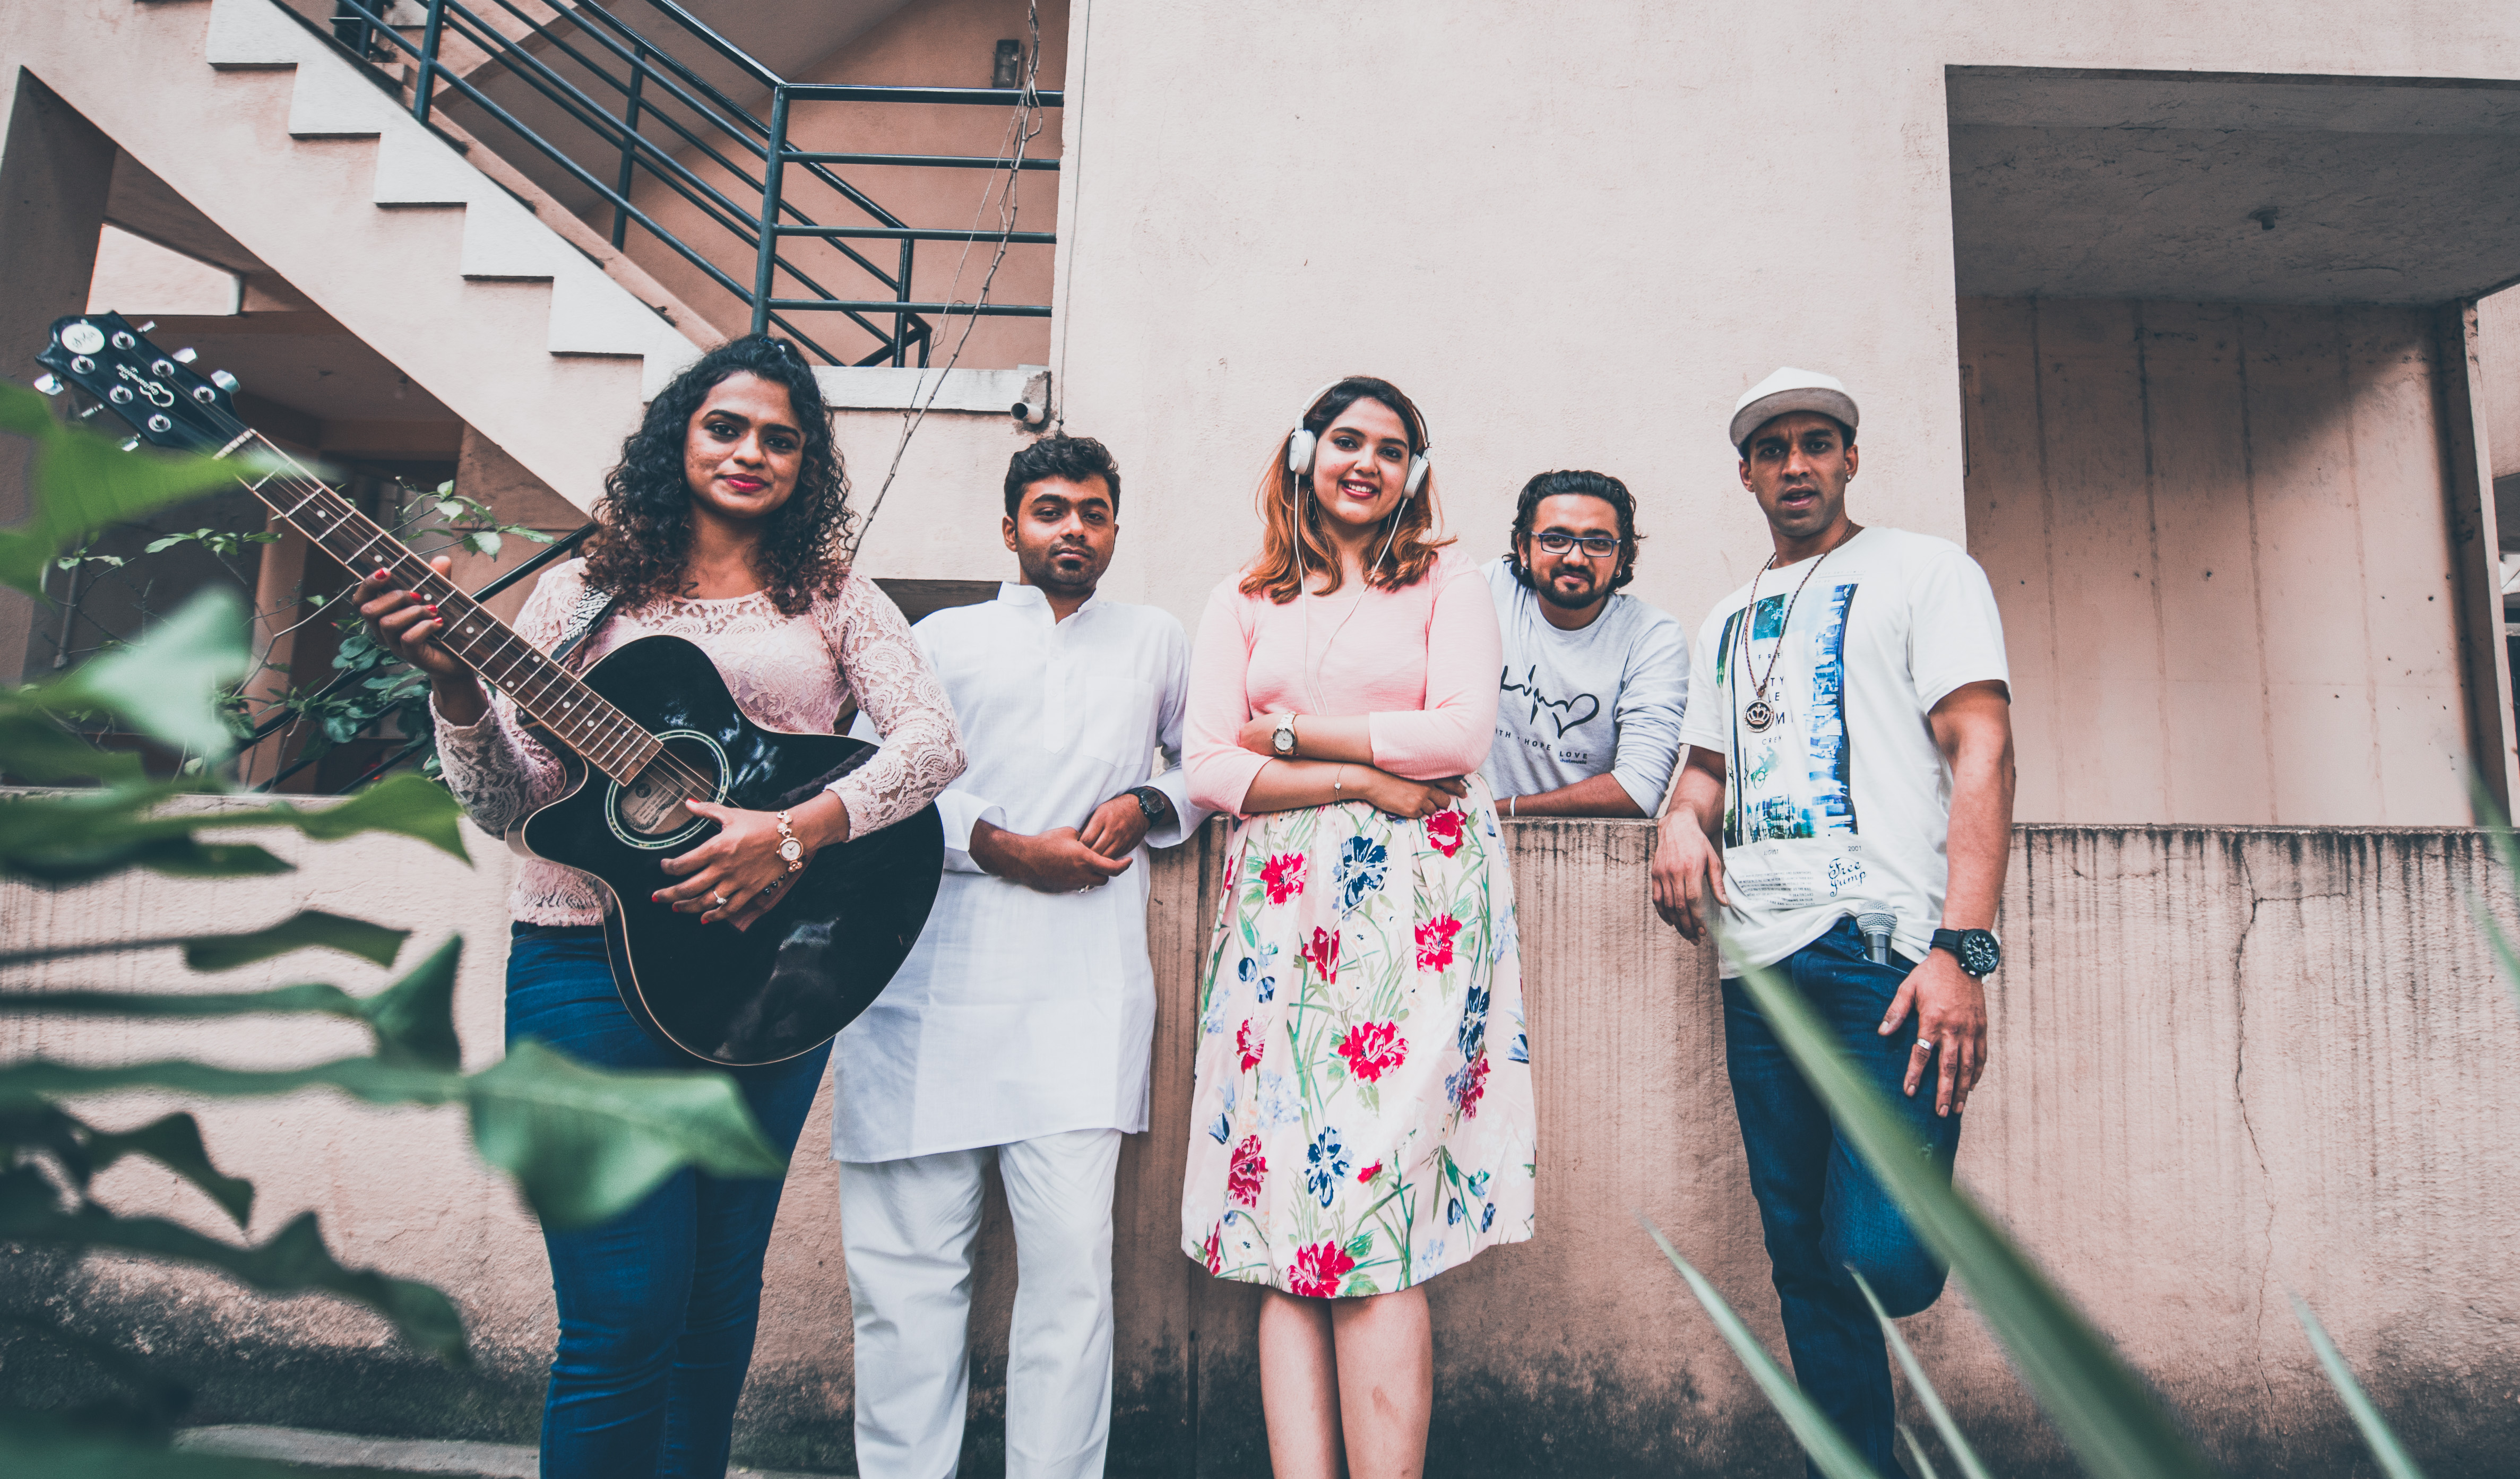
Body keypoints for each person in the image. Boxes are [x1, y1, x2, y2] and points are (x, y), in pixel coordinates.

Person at [359, 334, 965, 1479]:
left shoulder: (830, 595)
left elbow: (932, 746)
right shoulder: (578, 597)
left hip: (772, 970)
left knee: (712, 1311)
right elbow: (511, 805)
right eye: (725, 426)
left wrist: (789, 834)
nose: (750, 452)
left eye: (780, 438)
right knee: (622, 1314)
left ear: (806, 465)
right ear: (677, 438)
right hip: (583, 968)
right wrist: (453, 685)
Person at [1648, 367, 2015, 1478]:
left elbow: (1983, 749)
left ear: (1850, 458)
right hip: (1753, 967)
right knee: (1802, 1260)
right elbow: (1706, 769)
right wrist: (1678, 820)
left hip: (1882, 955)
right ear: (1746, 474)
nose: (1796, 464)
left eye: (1817, 443)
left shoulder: (1924, 572)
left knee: (1877, 1253)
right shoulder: (1725, 617)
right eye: (1773, 449)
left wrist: (1961, 949)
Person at [833, 434, 1208, 1479]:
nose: (1072, 529)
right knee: (906, 1278)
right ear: (1009, 529)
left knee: (1071, 1277)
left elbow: (1206, 762)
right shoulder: (938, 638)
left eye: (1092, 512)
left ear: (1115, 529)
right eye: (1050, 510)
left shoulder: (1155, 639)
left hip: (1079, 994)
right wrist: (996, 843)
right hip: (925, 987)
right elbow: (865, 772)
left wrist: (1146, 800)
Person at [1180, 375, 1534, 1479]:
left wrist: (1292, 736)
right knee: (1285, 1201)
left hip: (1415, 910)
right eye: (1346, 440)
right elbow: (1207, 765)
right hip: (1278, 913)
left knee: (1372, 1194)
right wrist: (1364, 777)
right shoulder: (1243, 597)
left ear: (1412, 475)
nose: (1365, 463)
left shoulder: (1447, 580)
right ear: (1305, 453)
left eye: (1390, 448)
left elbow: (1459, 736)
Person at [1482, 469, 1689, 818]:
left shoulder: (1652, 636)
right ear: (1524, 548)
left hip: (1592, 849)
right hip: (1465, 842)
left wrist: (1499, 811)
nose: (1576, 558)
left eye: (1598, 543)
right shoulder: (1487, 591)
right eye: (1555, 539)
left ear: (1622, 556)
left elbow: (1638, 789)